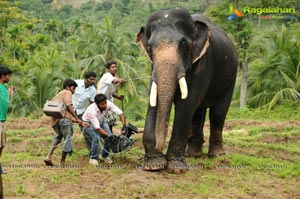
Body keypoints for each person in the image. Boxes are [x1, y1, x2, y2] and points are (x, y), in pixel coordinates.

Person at [44, 79, 86, 166]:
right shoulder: (67, 92)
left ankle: (48, 156)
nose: (73, 91)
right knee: (68, 138)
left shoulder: (58, 95)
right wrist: (76, 117)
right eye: (73, 88)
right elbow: (69, 106)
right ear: (69, 87)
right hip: (64, 121)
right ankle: (62, 162)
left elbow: (66, 112)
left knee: (58, 136)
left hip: (55, 121)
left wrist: (79, 121)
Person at [82, 94, 126, 165]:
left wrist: (124, 126)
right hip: (88, 123)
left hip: (101, 121)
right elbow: (98, 128)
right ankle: (93, 158)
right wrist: (109, 135)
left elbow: (120, 113)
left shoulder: (108, 104)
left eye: (105, 103)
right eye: (102, 104)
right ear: (96, 103)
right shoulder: (92, 111)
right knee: (96, 138)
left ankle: (104, 156)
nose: (105, 105)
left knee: (109, 138)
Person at [96, 61, 126, 132]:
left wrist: (118, 97)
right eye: (113, 67)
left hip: (108, 101)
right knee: (102, 122)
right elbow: (114, 81)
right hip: (100, 101)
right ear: (108, 69)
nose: (115, 68)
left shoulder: (114, 76)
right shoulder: (107, 76)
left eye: (115, 67)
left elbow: (110, 92)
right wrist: (119, 80)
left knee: (110, 122)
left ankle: (124, 128)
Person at [0, 65, 13, 158]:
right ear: (3, 76)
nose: (9, 78)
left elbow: (5, 101)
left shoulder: (4, 88)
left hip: (3, 120)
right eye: (8, 75)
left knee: (1, 145)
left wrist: (9, 93)